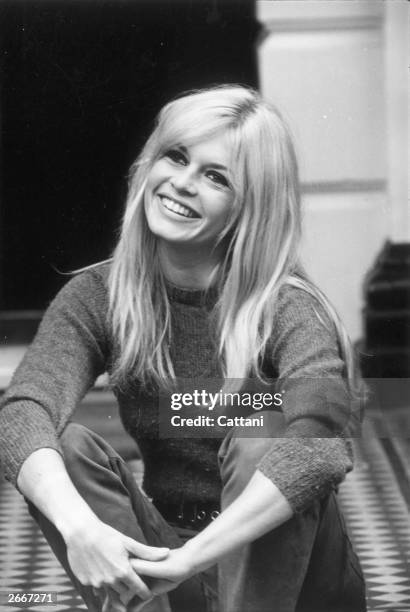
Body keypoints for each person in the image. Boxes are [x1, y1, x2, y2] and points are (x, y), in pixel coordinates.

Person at [0, 85, 366, 612]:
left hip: (297, 579)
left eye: (216, 177)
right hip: (174, 567)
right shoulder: (98, 298)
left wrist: (192, 559)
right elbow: (23, 411)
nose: (183, 183)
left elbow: (322, 441)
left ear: (249, 208)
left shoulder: (287, 306)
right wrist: (79, 527)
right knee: (68, 449)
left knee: (265, 427)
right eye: (176, 156)